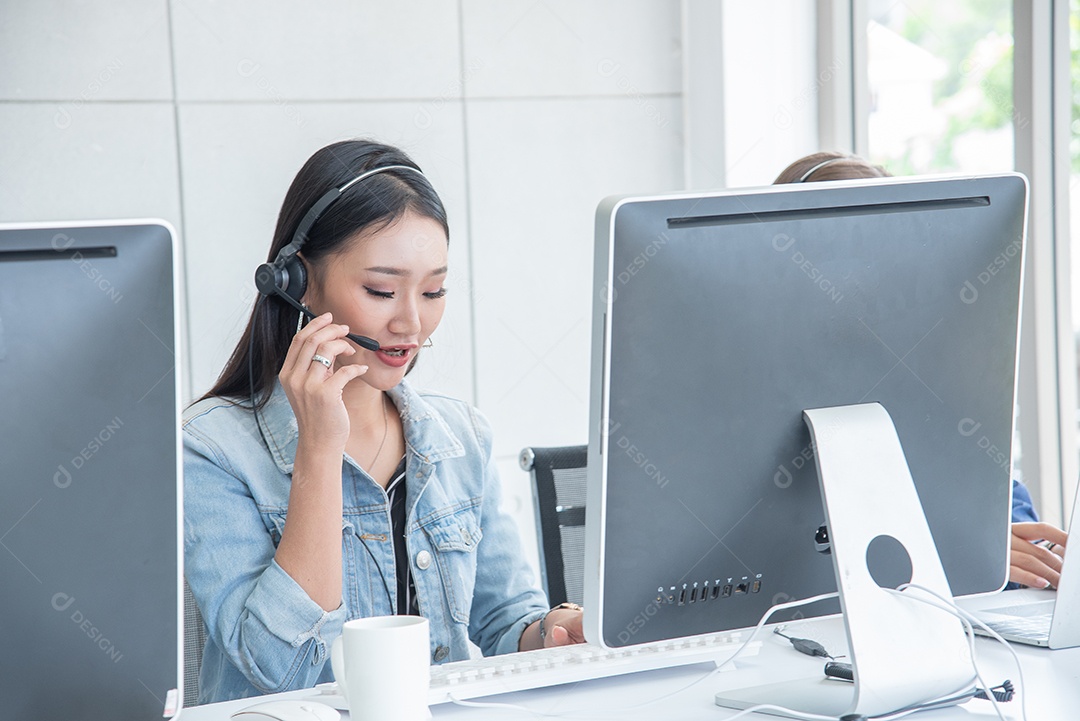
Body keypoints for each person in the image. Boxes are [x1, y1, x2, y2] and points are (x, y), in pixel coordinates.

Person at [183, 139, 584, 704]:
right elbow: (279, 669)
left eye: (433, 290)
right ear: (298, 281)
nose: (412, 322)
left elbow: (502, 622)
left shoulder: (461, 437)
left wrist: (553, 632)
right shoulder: (211, 449)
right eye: (380, 290)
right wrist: (319, 452)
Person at [774, 150, 1069, 590]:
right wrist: (950, 555)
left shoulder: (932, 376)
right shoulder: (760, 396)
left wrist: (1028, 559)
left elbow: (1001, 513)